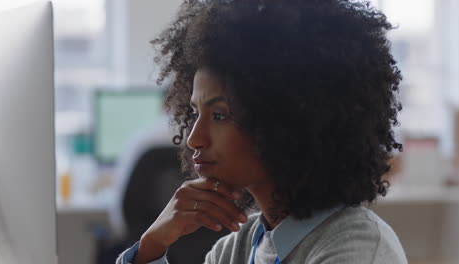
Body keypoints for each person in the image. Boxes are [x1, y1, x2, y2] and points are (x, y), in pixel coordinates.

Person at [117, 0, 407, 263]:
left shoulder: (357, 251)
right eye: (194, 113)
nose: (194, 138)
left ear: (285, 121)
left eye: (219, 115)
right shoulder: (235, 249)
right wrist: (151, 247)